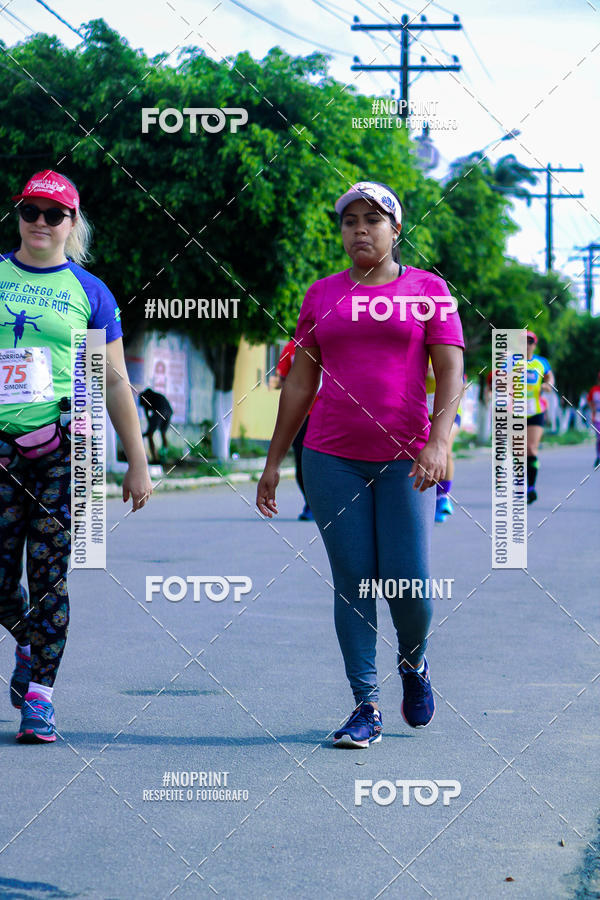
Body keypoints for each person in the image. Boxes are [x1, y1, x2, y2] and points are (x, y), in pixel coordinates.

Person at [256, 181, 464, 747]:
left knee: (410, 583)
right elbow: (300, 381)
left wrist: (439, 441)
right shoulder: (322, 295)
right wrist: (275, 460)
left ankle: (415, 665)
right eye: (350, 221)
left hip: (407, 458)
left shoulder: (428, 290)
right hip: (330, 456)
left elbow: (450, 371)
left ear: (396, 230)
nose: (360, 229)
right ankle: (364, 705)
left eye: (373, 219)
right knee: (353, 581)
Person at [0, 170, 153, 743]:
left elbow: (113, 381)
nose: (41, 222)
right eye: (31, 211)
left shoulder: (90, 293)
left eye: (54, 214)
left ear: (72, 223)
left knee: (50, 577)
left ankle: (41, 697)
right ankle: (26, 639)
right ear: (18, 215)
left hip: (66, 453)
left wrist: (135, 460)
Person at [272, 339, 314, 520]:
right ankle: (310, 503)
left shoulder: (334, 341)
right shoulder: (292, 348)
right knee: (302, 460)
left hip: (328, 413)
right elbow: (282, 378)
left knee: (324, 461)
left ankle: (320, 505)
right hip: (302, 415)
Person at [426, 361, 465, 522]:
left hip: (449, 413)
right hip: (423, 413)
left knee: (444, 448)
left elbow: (460, 385)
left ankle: (443, 496)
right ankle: (429, 498)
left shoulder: (446, 350)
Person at [526, 330, 554, 504]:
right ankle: (520, 482)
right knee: (518, 452)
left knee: (531, 449)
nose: (527, 345)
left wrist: (548, 384)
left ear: (534, 345)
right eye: (524, 341)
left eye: (530, 342)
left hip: (535, 410)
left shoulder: (541, 363)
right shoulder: (511, 362)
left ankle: (531, 487)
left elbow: (550, 378)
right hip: (514, 412)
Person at [139, 386, 173, 463]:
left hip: (161, 411)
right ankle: (164, 455)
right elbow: (149, 417)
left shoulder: (145, 398)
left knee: (150, 435)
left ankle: (155, 458)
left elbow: (147, 415)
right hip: (169, 412)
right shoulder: (156, 396)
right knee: (163, 433)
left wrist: (148, 432)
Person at [585, 373, 600, 468]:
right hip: (598, 415)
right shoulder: (594, 390)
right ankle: (598, 456)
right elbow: (589, 400)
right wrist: (592, 409)